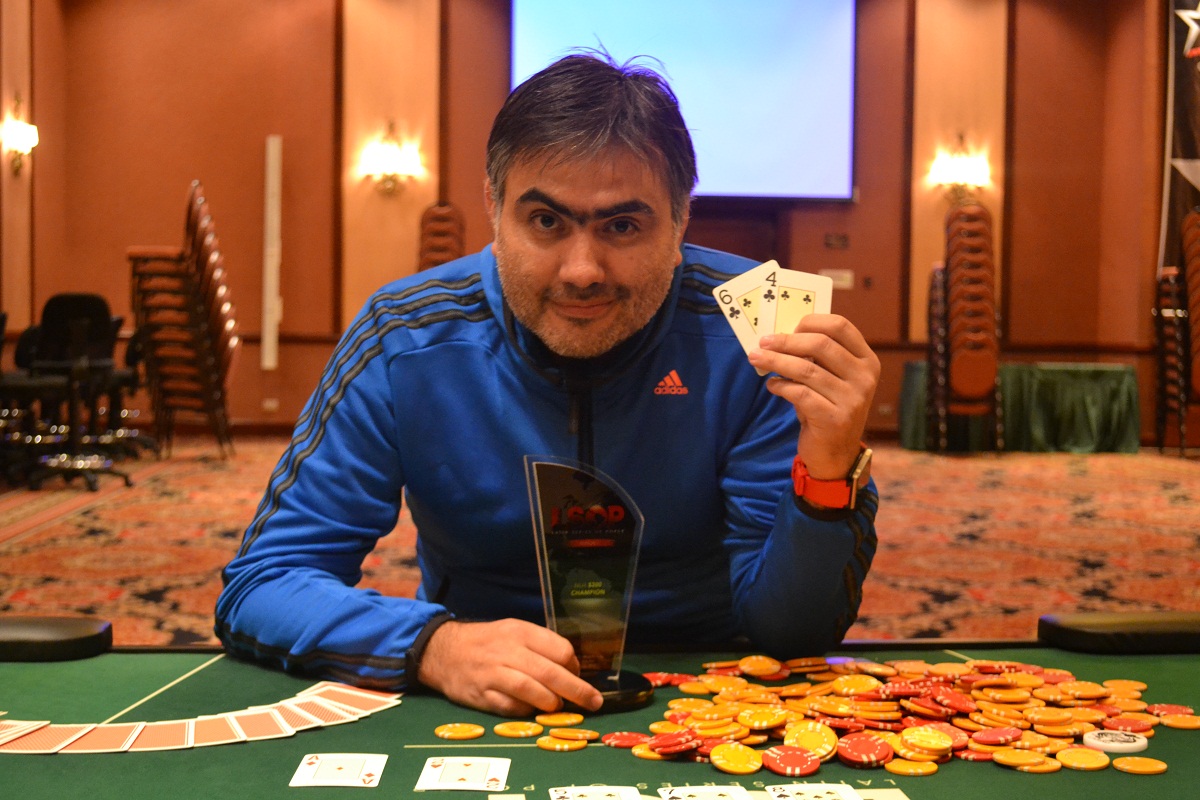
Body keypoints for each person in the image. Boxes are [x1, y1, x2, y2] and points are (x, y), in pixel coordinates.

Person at [216, 52, 880, 717]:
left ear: (680, 223)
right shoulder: (403, 337)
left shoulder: (759, 334)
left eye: (623, 226)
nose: (582, 270)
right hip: (475, 692)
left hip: (707, 687)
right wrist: (434, 646)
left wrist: (829, 471)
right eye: (545, 222)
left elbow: (792, 633)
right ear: (493, 209)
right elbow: (265, 583)